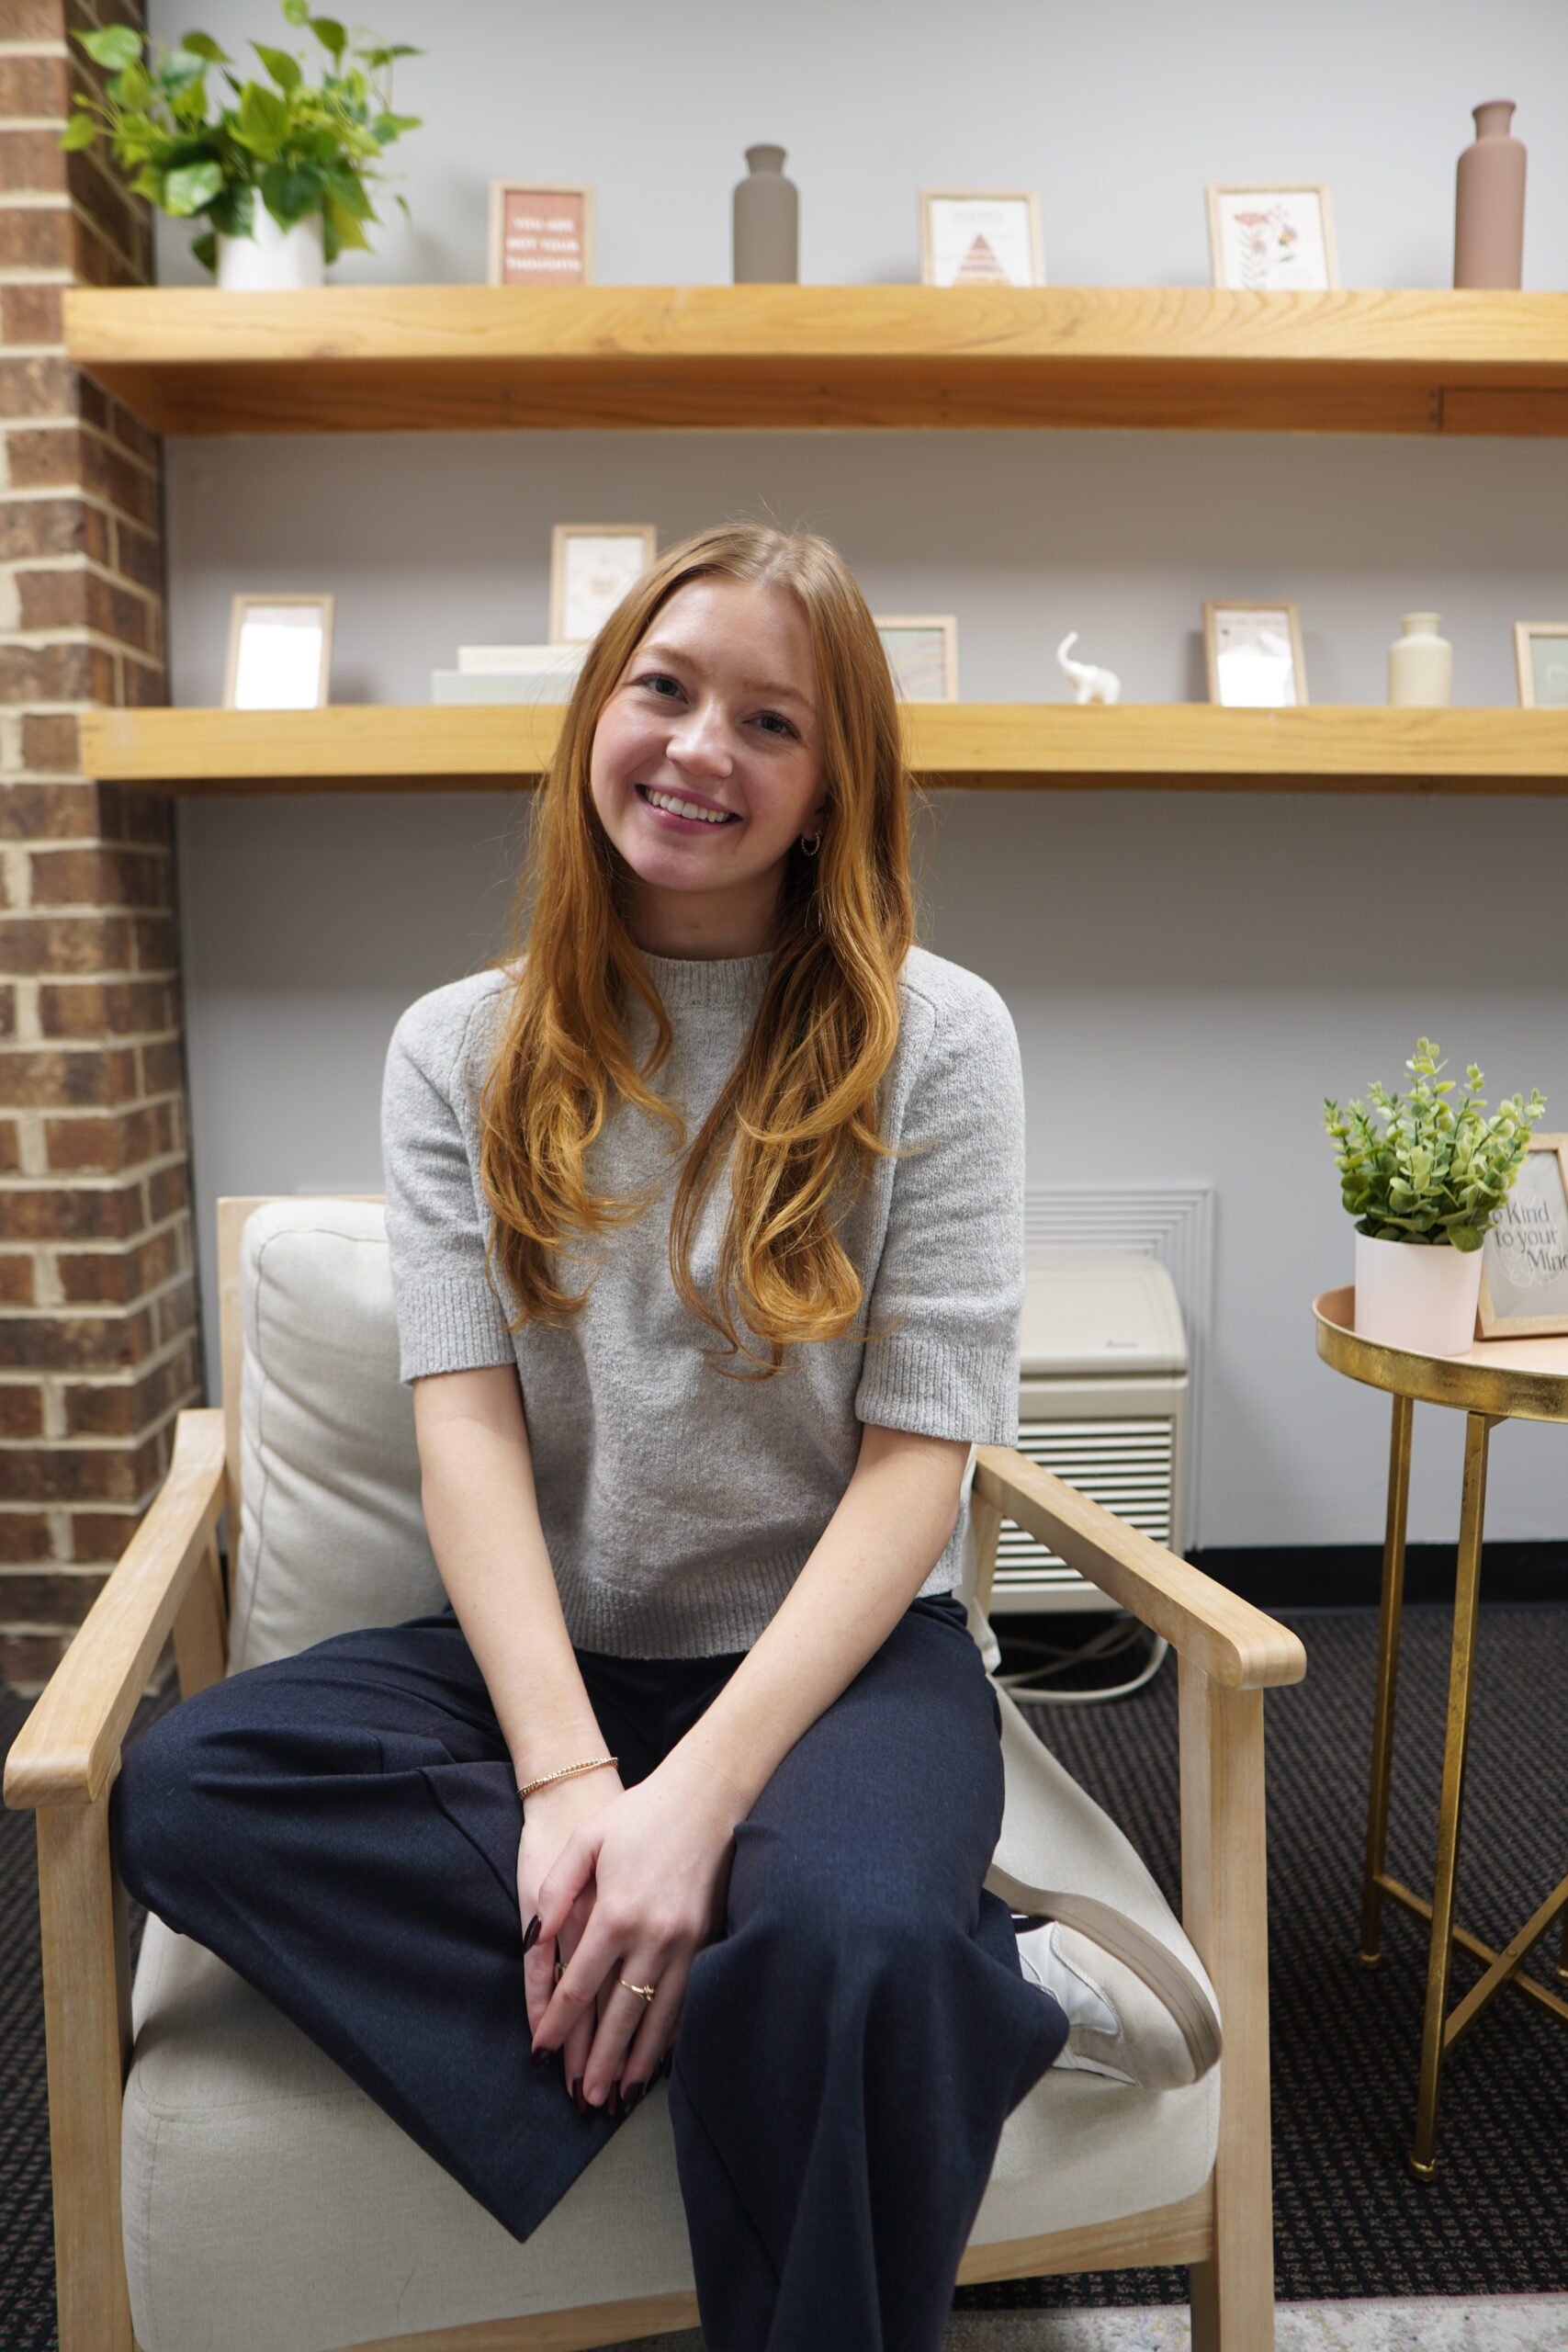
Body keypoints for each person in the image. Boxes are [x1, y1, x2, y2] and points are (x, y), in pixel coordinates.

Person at [112, 525, 1215, 2352]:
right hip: (552, 1664)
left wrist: (695, 1801)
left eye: (768, 721)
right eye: (665, 688)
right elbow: (461, 1428)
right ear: (593, 716)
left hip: (842, 1663)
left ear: (825, 788)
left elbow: (913, 1464)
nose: (702, 747)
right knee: (190, 1786)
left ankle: (866, 1979)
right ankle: (971, 1996)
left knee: (833, 1936)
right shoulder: (453, 1046)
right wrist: (565, 1789)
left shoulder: (936, 1038)